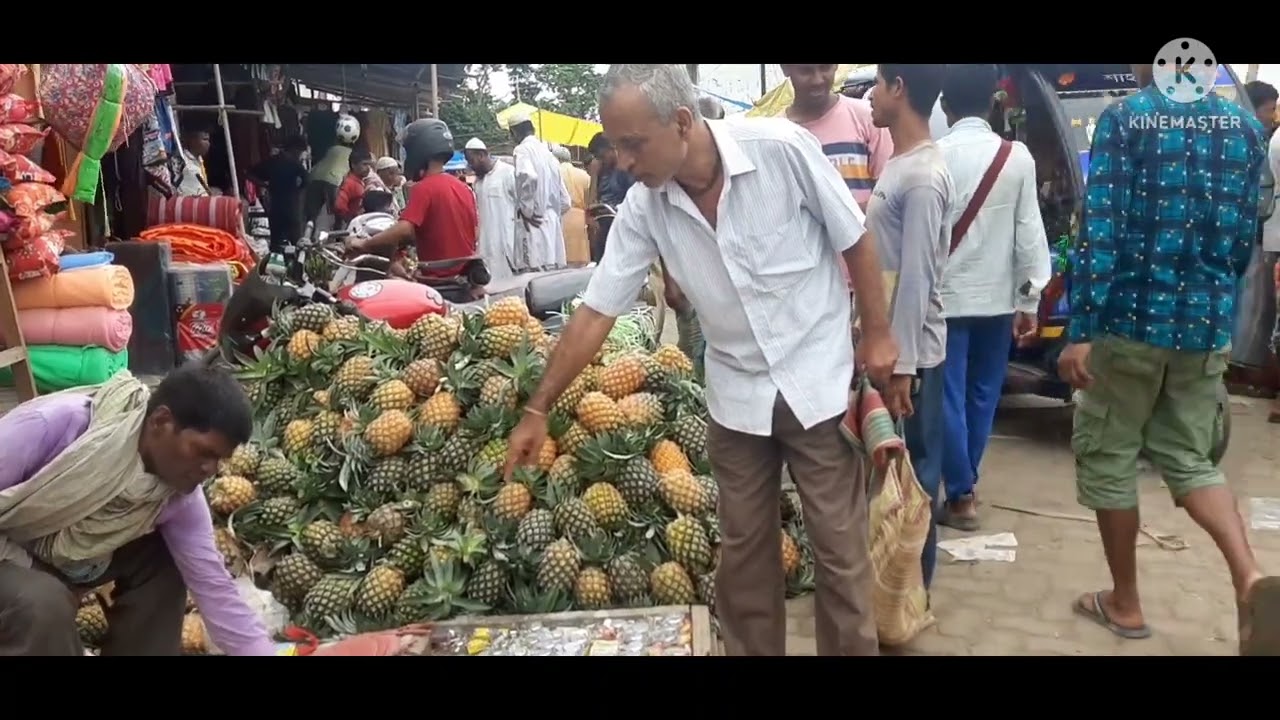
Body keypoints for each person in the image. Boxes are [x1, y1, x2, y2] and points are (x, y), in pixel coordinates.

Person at [503, 64, 899, 657]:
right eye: (617, 146)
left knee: (839, 556)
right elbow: (595, 313)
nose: (625, 161)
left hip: (817, 383)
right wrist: (538, 406)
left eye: (634, 144)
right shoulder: (644, 208)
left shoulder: (782, 150)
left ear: (683, 122)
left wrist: (879, 334)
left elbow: (856, 238)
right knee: (744, 560)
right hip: (736, 399)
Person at [1058, 63, 1280, 653]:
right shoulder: (1242, 126)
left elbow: (1101, 229)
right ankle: (1249, 576)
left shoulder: (1127, 119)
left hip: (1128, 323)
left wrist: (1081, 329)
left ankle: (1125, 603)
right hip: (1203, 329)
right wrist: (1214, 304)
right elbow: (1242, 239)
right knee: (1189, 457)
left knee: (1109, 455)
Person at [0, 367, 278, 656]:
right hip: (9, 552)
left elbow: (214, 587)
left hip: (67, 558)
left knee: (164, 560)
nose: (210, 470)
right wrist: (34, 572)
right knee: (41, 602)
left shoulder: (178, 496)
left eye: (219, 459)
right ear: (161, 421)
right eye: (203, 452)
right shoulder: (54, 426)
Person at [934, 64, 1051, 531]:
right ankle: (965, 487)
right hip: (999, 301)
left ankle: (961, 492)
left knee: (948, 396)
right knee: (983, 395)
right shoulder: (1016, 157)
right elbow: (1030, 232)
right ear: (994, 101)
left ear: (944, 105)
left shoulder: (934, 156)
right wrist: (1030, 300)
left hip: (946, 301)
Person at [866, 63, 954, 589]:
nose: (871, 96)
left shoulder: (921, 177)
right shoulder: (901, 164)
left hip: (912, 354)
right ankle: (891, 589)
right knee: (894, 477)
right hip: (895, 348)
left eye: (877, 84)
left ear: (898, 89)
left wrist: (901, 367)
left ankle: (911, 592)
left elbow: (917, 277)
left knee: (916, 477)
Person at [347, 119, 478, 281]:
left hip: (437, 279)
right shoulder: (463, 188)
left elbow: (405, 229)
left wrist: (365, 244)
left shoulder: (425, 188)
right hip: (463, 278)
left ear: (419, 151)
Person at [510, 113, 570, 271]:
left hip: (534, 224)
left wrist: (527, 211)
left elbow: (528, 176)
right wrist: (552, 214)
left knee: (533, 279)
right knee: (551, 279)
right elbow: (565, 201)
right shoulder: (549, 155)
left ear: (514, 132)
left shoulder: (522, 150)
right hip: (552, 226)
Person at [464, 137, 517, 282]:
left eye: (472, 161)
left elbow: (522, 206)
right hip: (486, 243)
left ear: (481, 155)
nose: (470, 166)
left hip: (507, 241)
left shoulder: (508, 173)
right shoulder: (478, 182)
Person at [248, 135, 310, 254]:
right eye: (300, 151)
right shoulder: (296, 165)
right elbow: (305, 184)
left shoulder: (273, 161)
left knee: (276, 245)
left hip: (275, 208)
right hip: (292, 209)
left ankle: (276, 267)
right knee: (298, 245)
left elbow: (249, 173)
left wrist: (264, 184)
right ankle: (294, 269)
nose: (300, 155)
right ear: (294, 149)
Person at [586, 131, 636, 261]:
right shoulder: (602, 171)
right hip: (604, 228)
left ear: (611, 149)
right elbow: (591, 204)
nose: (600, 160)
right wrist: (594, 176)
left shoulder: (625, 171)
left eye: (601, 156)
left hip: (621, 227)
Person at [553, 144, 592, 265]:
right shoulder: (584, 175)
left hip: (561, 218)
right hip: (582, 220)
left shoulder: (555, 173)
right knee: (582, 263)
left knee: (562, 262)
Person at [334, 149, 375, 228]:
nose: (368, 168)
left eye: (369, 165)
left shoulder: (359, 181)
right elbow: (339, 206)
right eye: (364, 164)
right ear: (353, 165)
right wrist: (350, 220)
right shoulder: (349, 183)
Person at [177, 126, 214, 198]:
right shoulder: (183, 161)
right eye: (205, 139)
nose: (208, 144)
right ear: (193, 141)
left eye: (208, 140)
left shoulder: (200, 160)